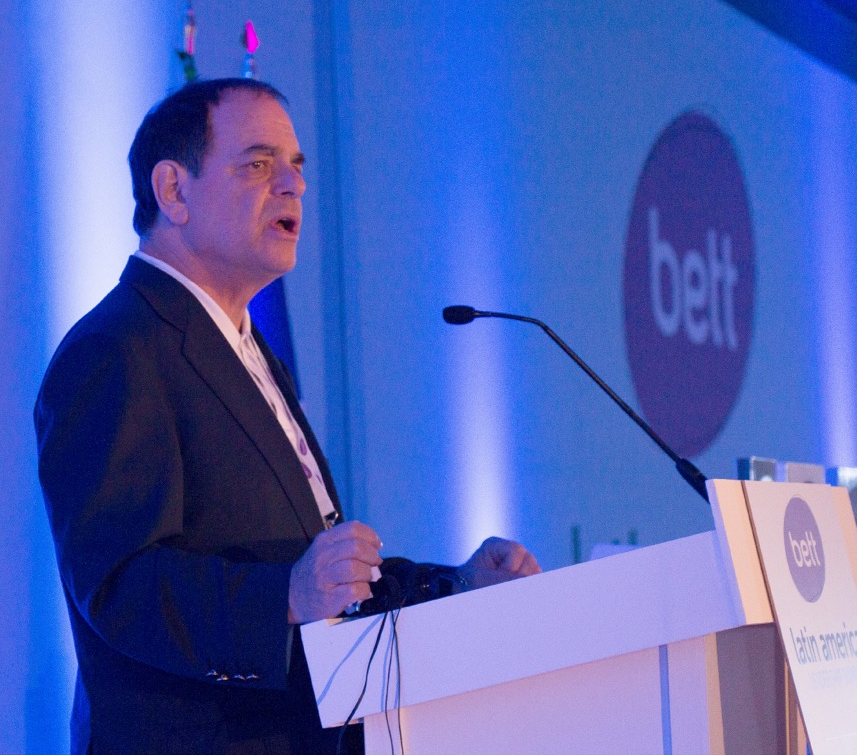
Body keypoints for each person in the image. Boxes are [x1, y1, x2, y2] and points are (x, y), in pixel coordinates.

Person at [34, 78, 540, 755]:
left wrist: (458, 586)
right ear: (173, 190)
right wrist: (286, 598)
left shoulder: (245, 349)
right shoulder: (116, 348)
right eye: (257, 164)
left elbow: (312, 573)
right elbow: (120, 585)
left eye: (297, 167)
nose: (293, 186)